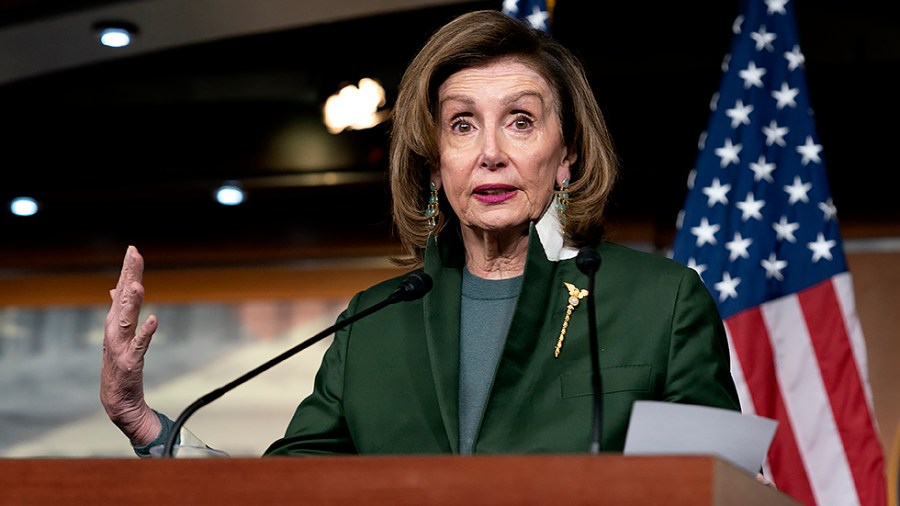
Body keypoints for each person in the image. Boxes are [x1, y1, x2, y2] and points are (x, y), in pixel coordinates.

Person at [101, 9, 740, 457]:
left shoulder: (661, 301)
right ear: (435, 161)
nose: (490, 153)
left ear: (566, 154)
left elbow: (717, 486)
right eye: (463, 125)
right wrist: (149, 426)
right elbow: (286, 492)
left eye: (520, 121)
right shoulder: (373, 321)